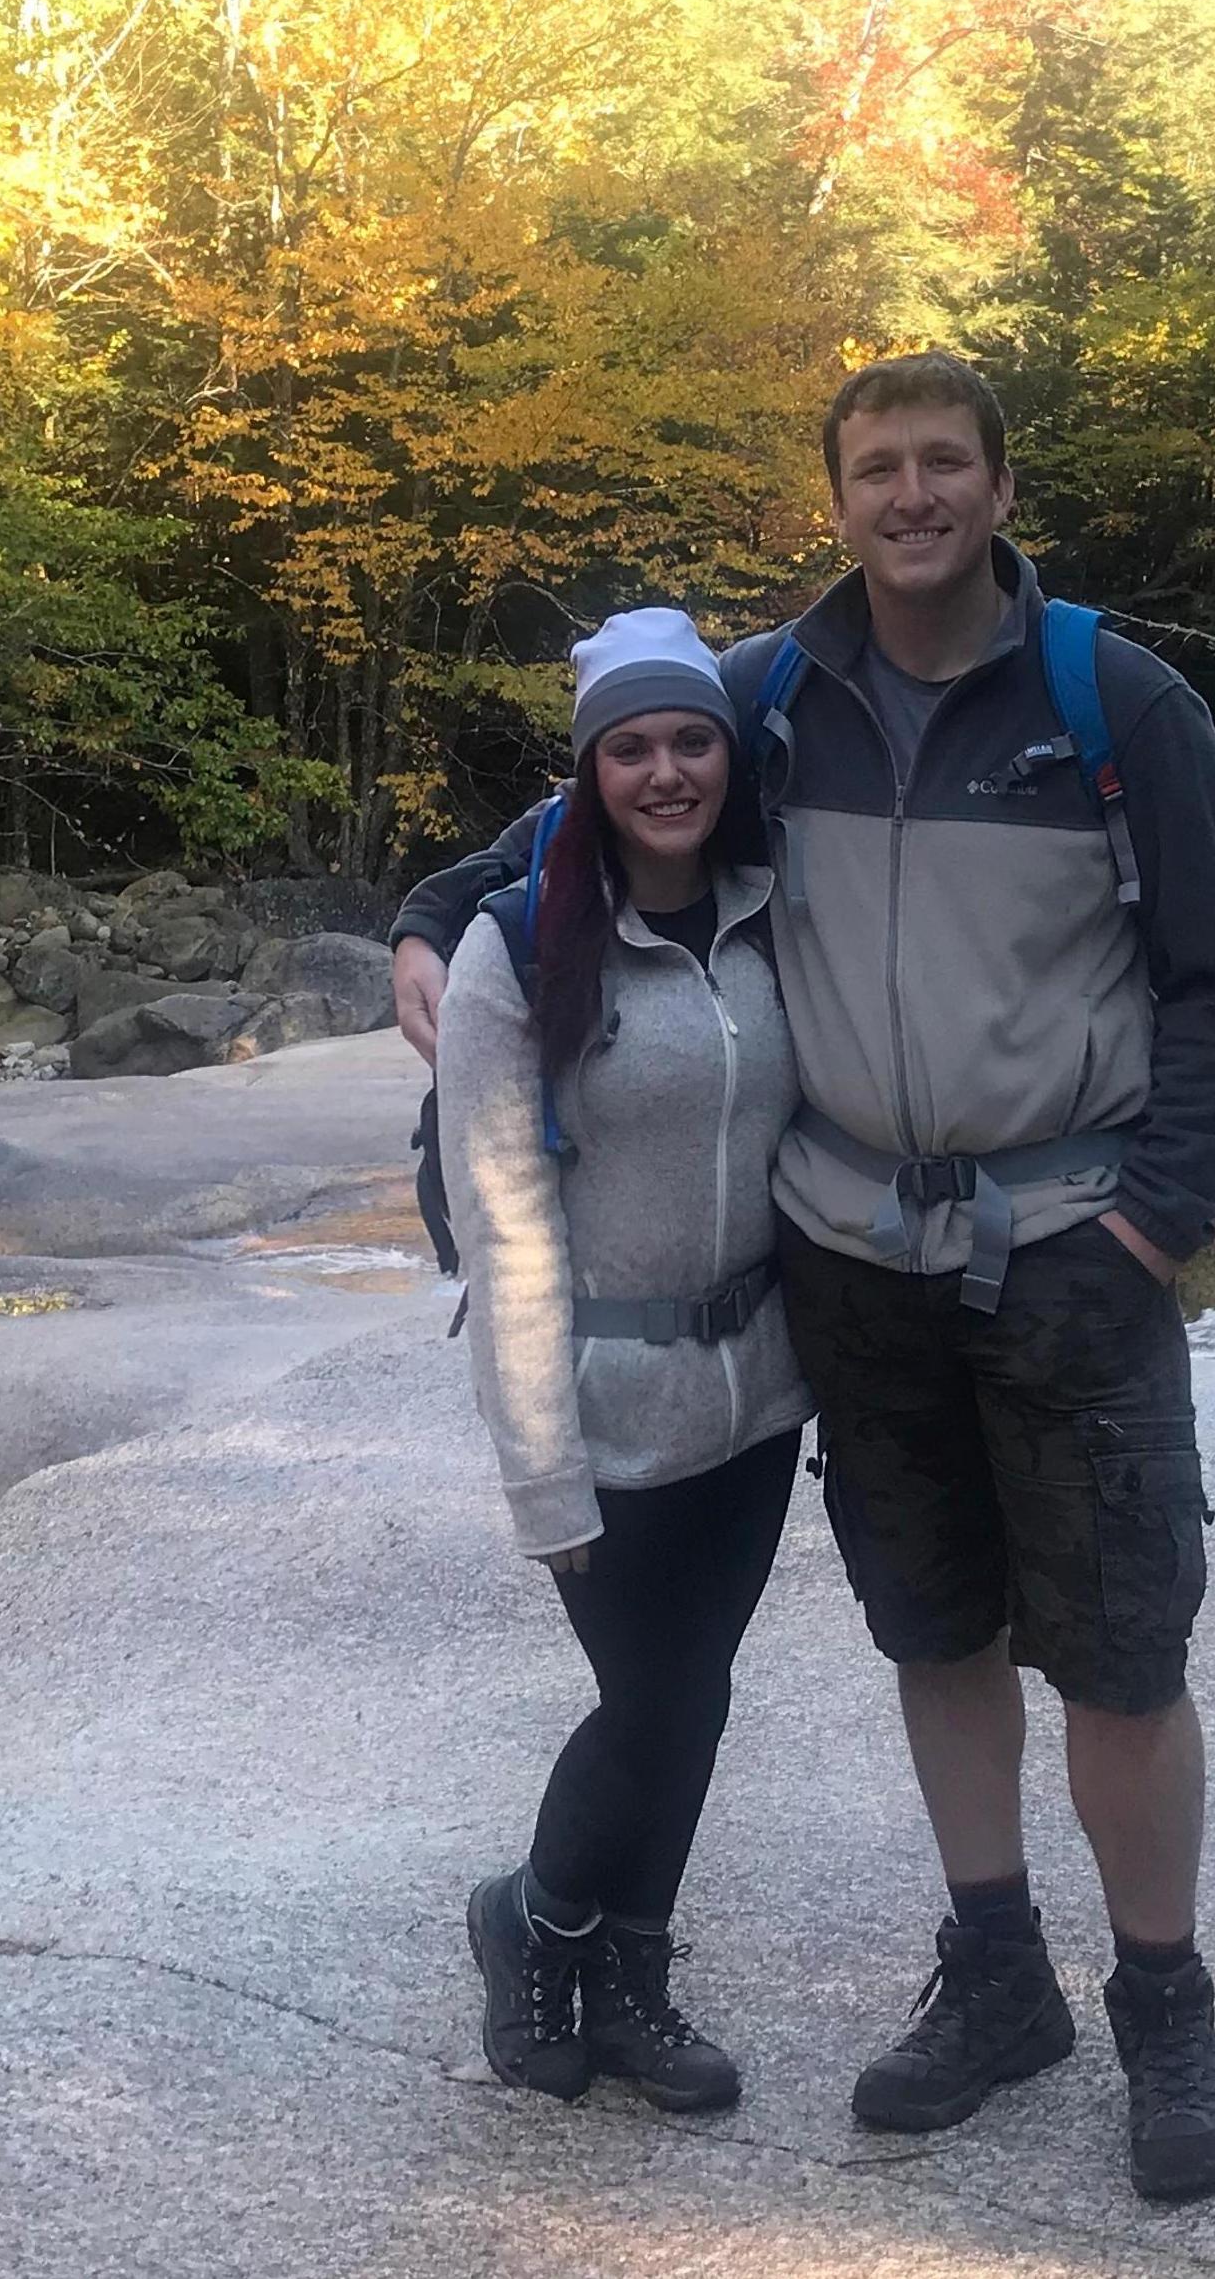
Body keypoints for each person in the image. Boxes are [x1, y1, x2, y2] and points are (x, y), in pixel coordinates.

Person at [395, 352, 1215, 2203]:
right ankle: (993, 1974)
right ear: (834, 498)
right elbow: (589, 804)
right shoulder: (772, 693)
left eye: (940, 462)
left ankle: (1163, 2014)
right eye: (874, 467)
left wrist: (1147, 1227)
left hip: (1066, 1244)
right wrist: (429, 916)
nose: (909, 496)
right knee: (932, 1627)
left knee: (1118, 1653)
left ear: (995, 482)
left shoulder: (1112, 698)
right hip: (855, 1262)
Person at [442, 606, 815, 2116]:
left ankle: (631, 1969)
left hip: (756, 1396)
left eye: (690, 740)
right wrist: (542, 1471)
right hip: (602, 1409)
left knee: (697, 1694)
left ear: (729, 753)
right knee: (653, 1704)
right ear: (589, 770)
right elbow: (504, 1222)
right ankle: (535, 1922)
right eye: (632, 747)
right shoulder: (515, 947)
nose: (666, 770)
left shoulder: (777, 905)